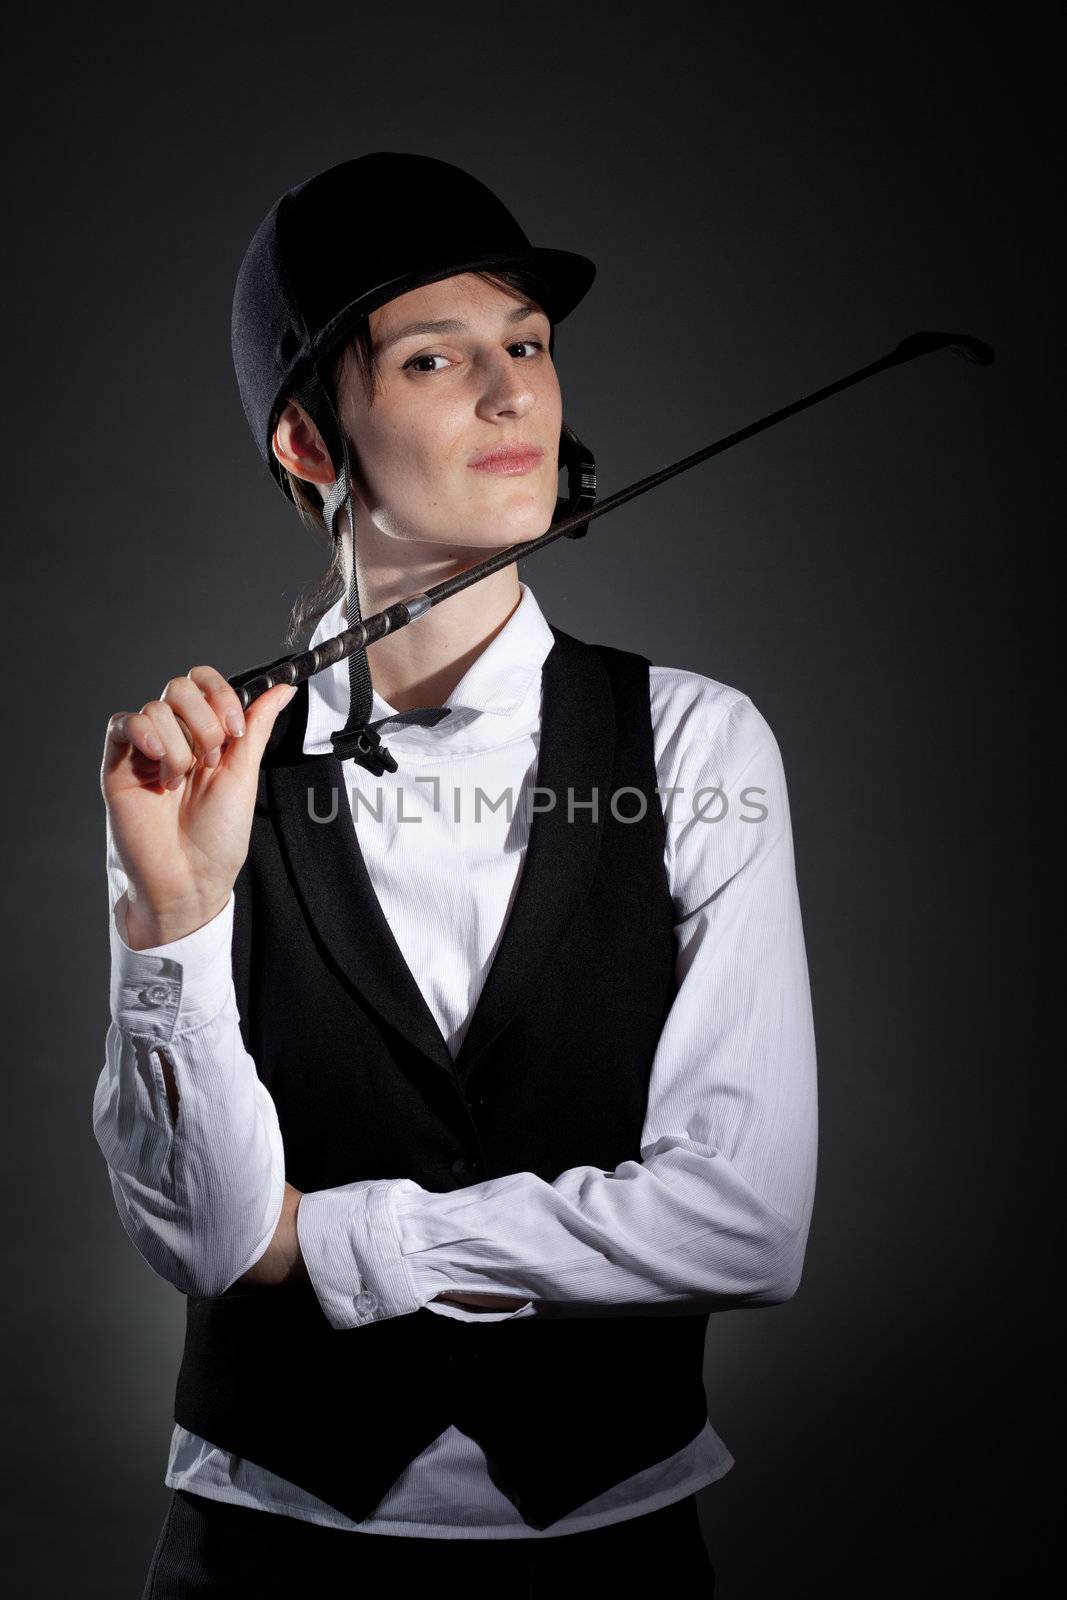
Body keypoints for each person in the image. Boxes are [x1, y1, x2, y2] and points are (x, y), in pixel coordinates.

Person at [94, 152, 818, 1596]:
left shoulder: (697, 740)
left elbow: (744, 1216)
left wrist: (344, 1243)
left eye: (530, 346)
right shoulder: (188, 774)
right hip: (257, 1552)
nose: (515, 397)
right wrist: (175, 919)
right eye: (437, 357)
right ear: (311, 442)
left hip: (614, 1549)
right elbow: (213, 1240)